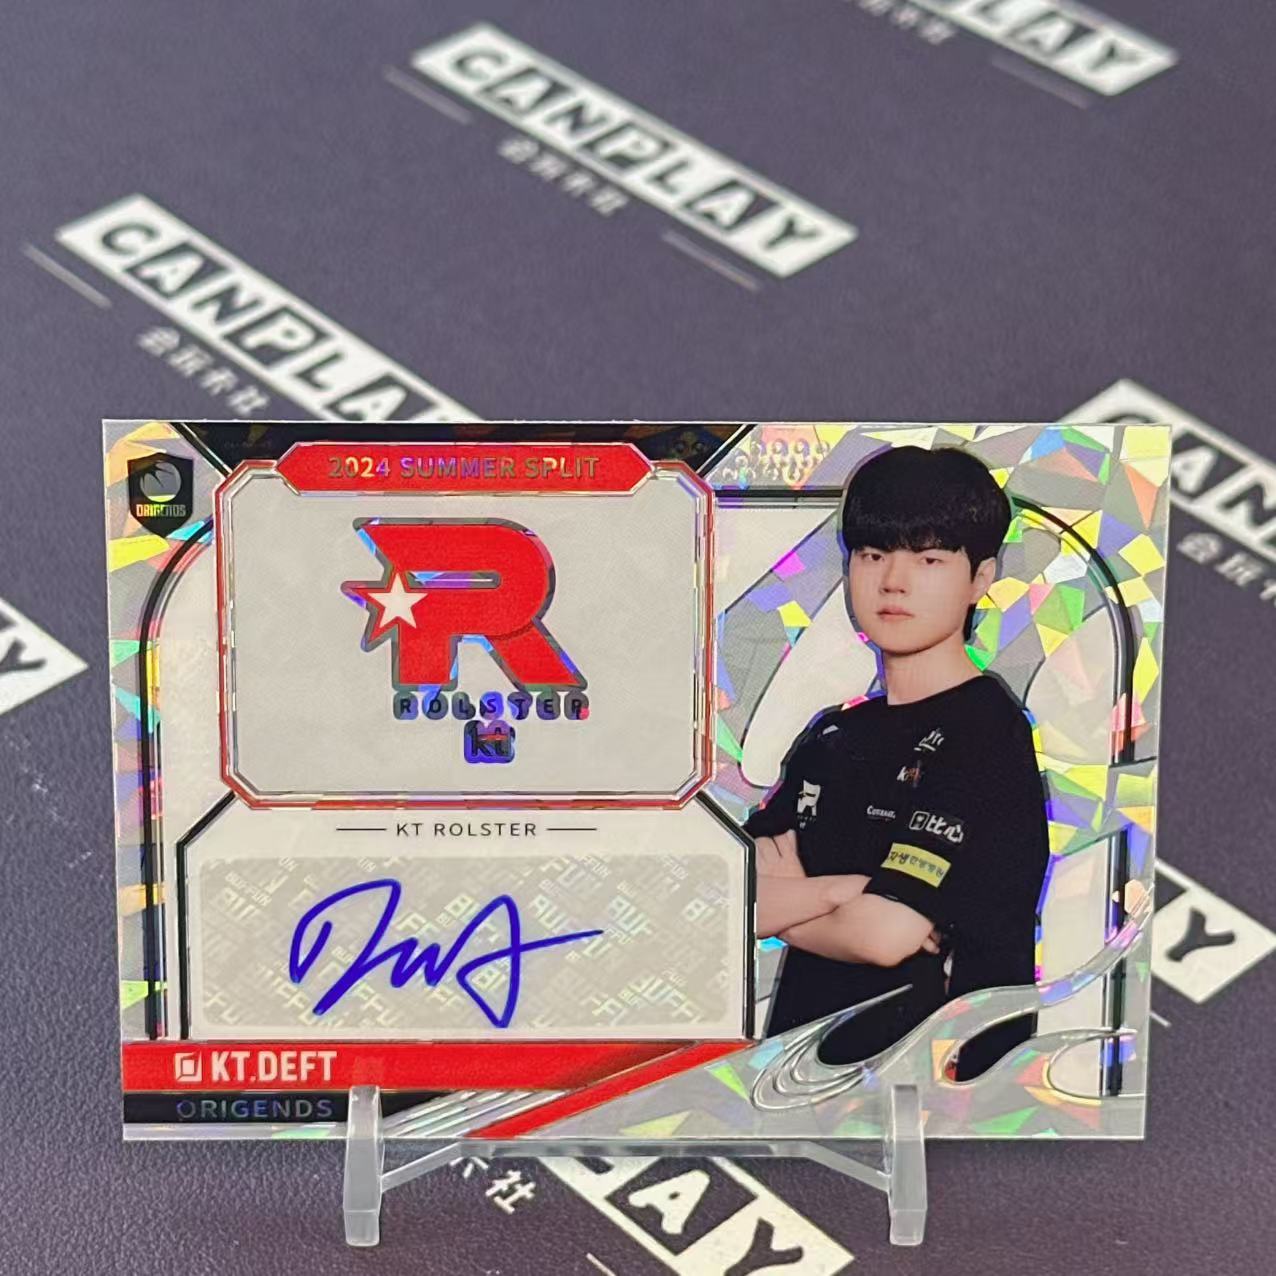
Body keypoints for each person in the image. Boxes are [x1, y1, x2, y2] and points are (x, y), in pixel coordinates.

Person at [745, 445, 1050, 1079]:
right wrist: (842, 891)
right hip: (798, 1078)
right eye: (873, 554)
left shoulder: (985, 731)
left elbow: (882, 936)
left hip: (938, 1088)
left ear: (981, 578)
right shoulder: (833, 735)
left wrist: (794, 903)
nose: (893, 581)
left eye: (929, 559)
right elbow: (733, 900)